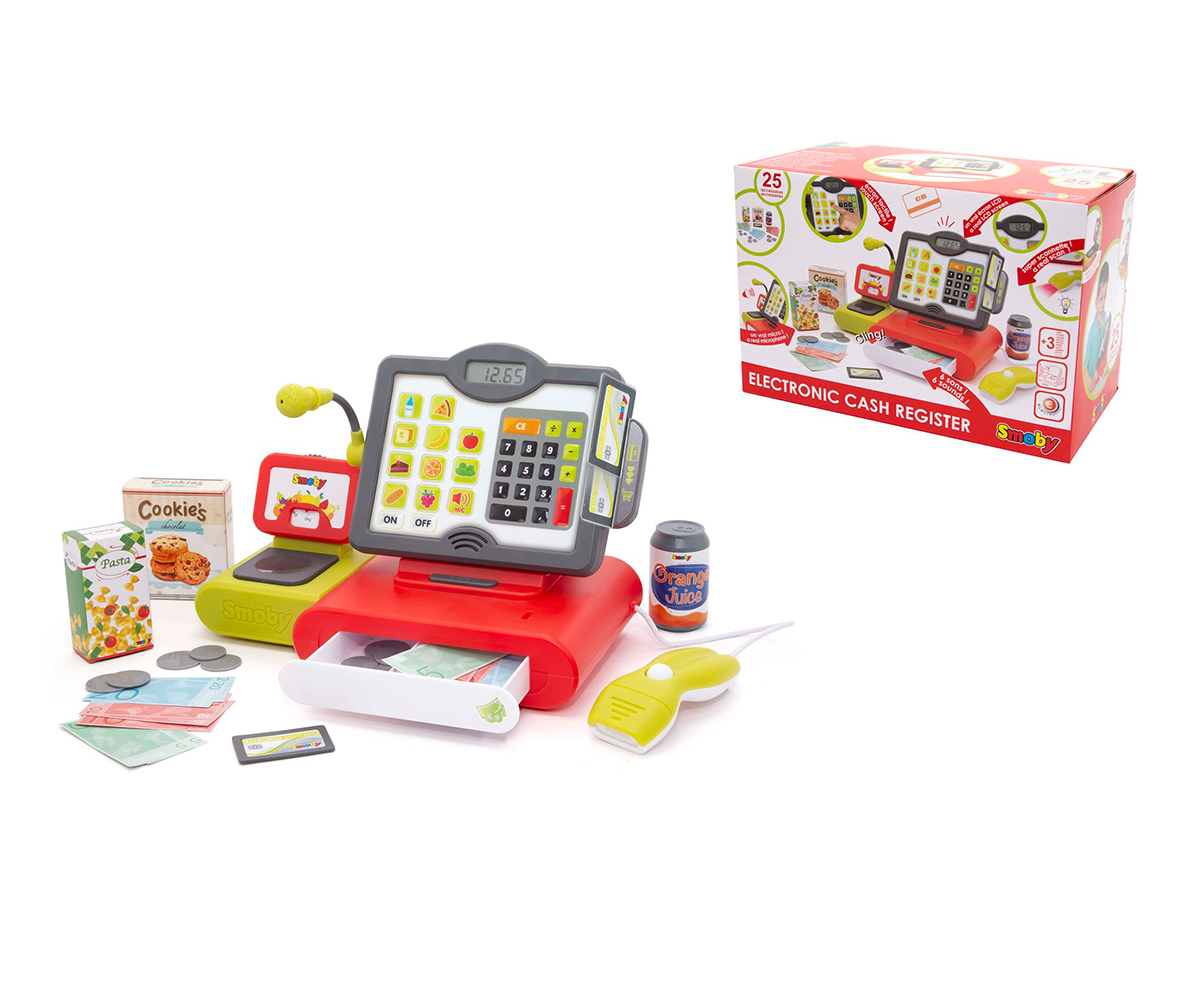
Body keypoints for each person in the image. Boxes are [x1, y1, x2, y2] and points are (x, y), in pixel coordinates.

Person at [1084, 263, 1111, 383]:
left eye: (1105, 297)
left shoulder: (1104, 316)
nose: (1103, 303)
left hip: (1100, 367)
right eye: (1101, 299)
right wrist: (1088, 377)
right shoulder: (1091, 331)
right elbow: (1086, 359)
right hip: (1091, 372)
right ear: (1095, 301)